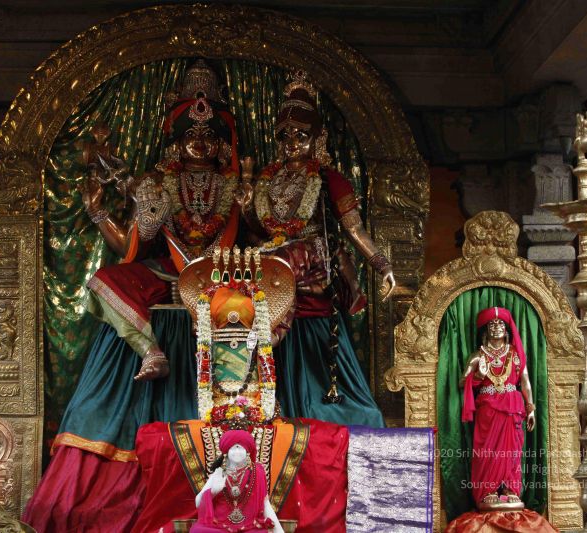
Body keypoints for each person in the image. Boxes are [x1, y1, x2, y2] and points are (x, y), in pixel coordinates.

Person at [23, 60, 242, 532]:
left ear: (222, 143)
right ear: (174, 142)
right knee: (108, 279)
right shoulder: (158, 185)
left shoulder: (238, 188)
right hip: (166, 273)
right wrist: (102, 214)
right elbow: (133, 246)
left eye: (207, 135)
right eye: (189, 134)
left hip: (221, 278)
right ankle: (150, 349)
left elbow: (260, 242)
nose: (199, 143)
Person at [240, 71, 393, 427]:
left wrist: (381, 264)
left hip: (310, 257)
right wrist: (247, 206)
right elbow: (257, 229)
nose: (292, 143)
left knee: (281, 261)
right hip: (273, 257)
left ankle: (264, 338)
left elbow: (353, 228)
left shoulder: (327, 179)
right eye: (285, 136)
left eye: (301, 135)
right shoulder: (268, 178)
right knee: (251, 267)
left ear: (318, 137)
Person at [460, 306, 536, 510]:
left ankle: (510, 489)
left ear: (506, 329)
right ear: (486, 331)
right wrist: (478, 376)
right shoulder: (477, 356)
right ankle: (489, 490)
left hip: (512, 407)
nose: (496, 327)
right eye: (492, 324)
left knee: (512, 451)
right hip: (488, 409)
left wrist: (531, 408)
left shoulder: (515, 355)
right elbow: (462, 381)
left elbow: (525, 381)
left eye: (500, 323)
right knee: (487, 450)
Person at [191, 430, 284, 533]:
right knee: (198, 530)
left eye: (240, 448)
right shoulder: (219, 473)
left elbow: (265, 504)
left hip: (250, 527)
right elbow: (198, 503)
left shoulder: (257, 472)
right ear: (226, 452)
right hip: (220, 527)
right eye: (233, 448)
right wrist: (213, 491)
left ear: (248, 451)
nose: (237, 452)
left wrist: (279, 531)